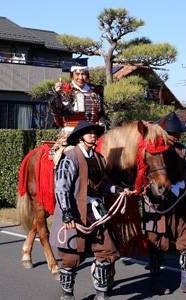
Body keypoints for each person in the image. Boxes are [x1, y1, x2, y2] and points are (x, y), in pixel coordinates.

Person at [49, 121, 130, 300]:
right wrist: (66, 213)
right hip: (74, 213)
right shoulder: (69, 158)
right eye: (89, 132)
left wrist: (117, 190)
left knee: (106, 251)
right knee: (70, 258)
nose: (93, 135)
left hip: (96, 213)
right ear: (80, 137)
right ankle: (67, 295)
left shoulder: (99, 158)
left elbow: (104, 185)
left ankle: (101, 294)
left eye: (95, 132)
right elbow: (61, 187)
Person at [143, 112, 186, 296]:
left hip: (180, 200)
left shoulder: (181, 149)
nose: (176, 136)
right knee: (156, 242)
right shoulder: (149, 149)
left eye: (178, 133)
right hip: (158, 202)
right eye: (172, 133)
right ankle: (154, 281)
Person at [50, 58, 106, 158]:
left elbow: (101, 113)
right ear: (72, 75)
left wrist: (102, 123)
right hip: (71, 133)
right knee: (58, 157)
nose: (80, 77)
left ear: (87, 75)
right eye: (77, 74)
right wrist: (58, 95)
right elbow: (57, 109)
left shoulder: (96, 91)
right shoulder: (65, 90)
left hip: (93, 135)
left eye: (83, 74)